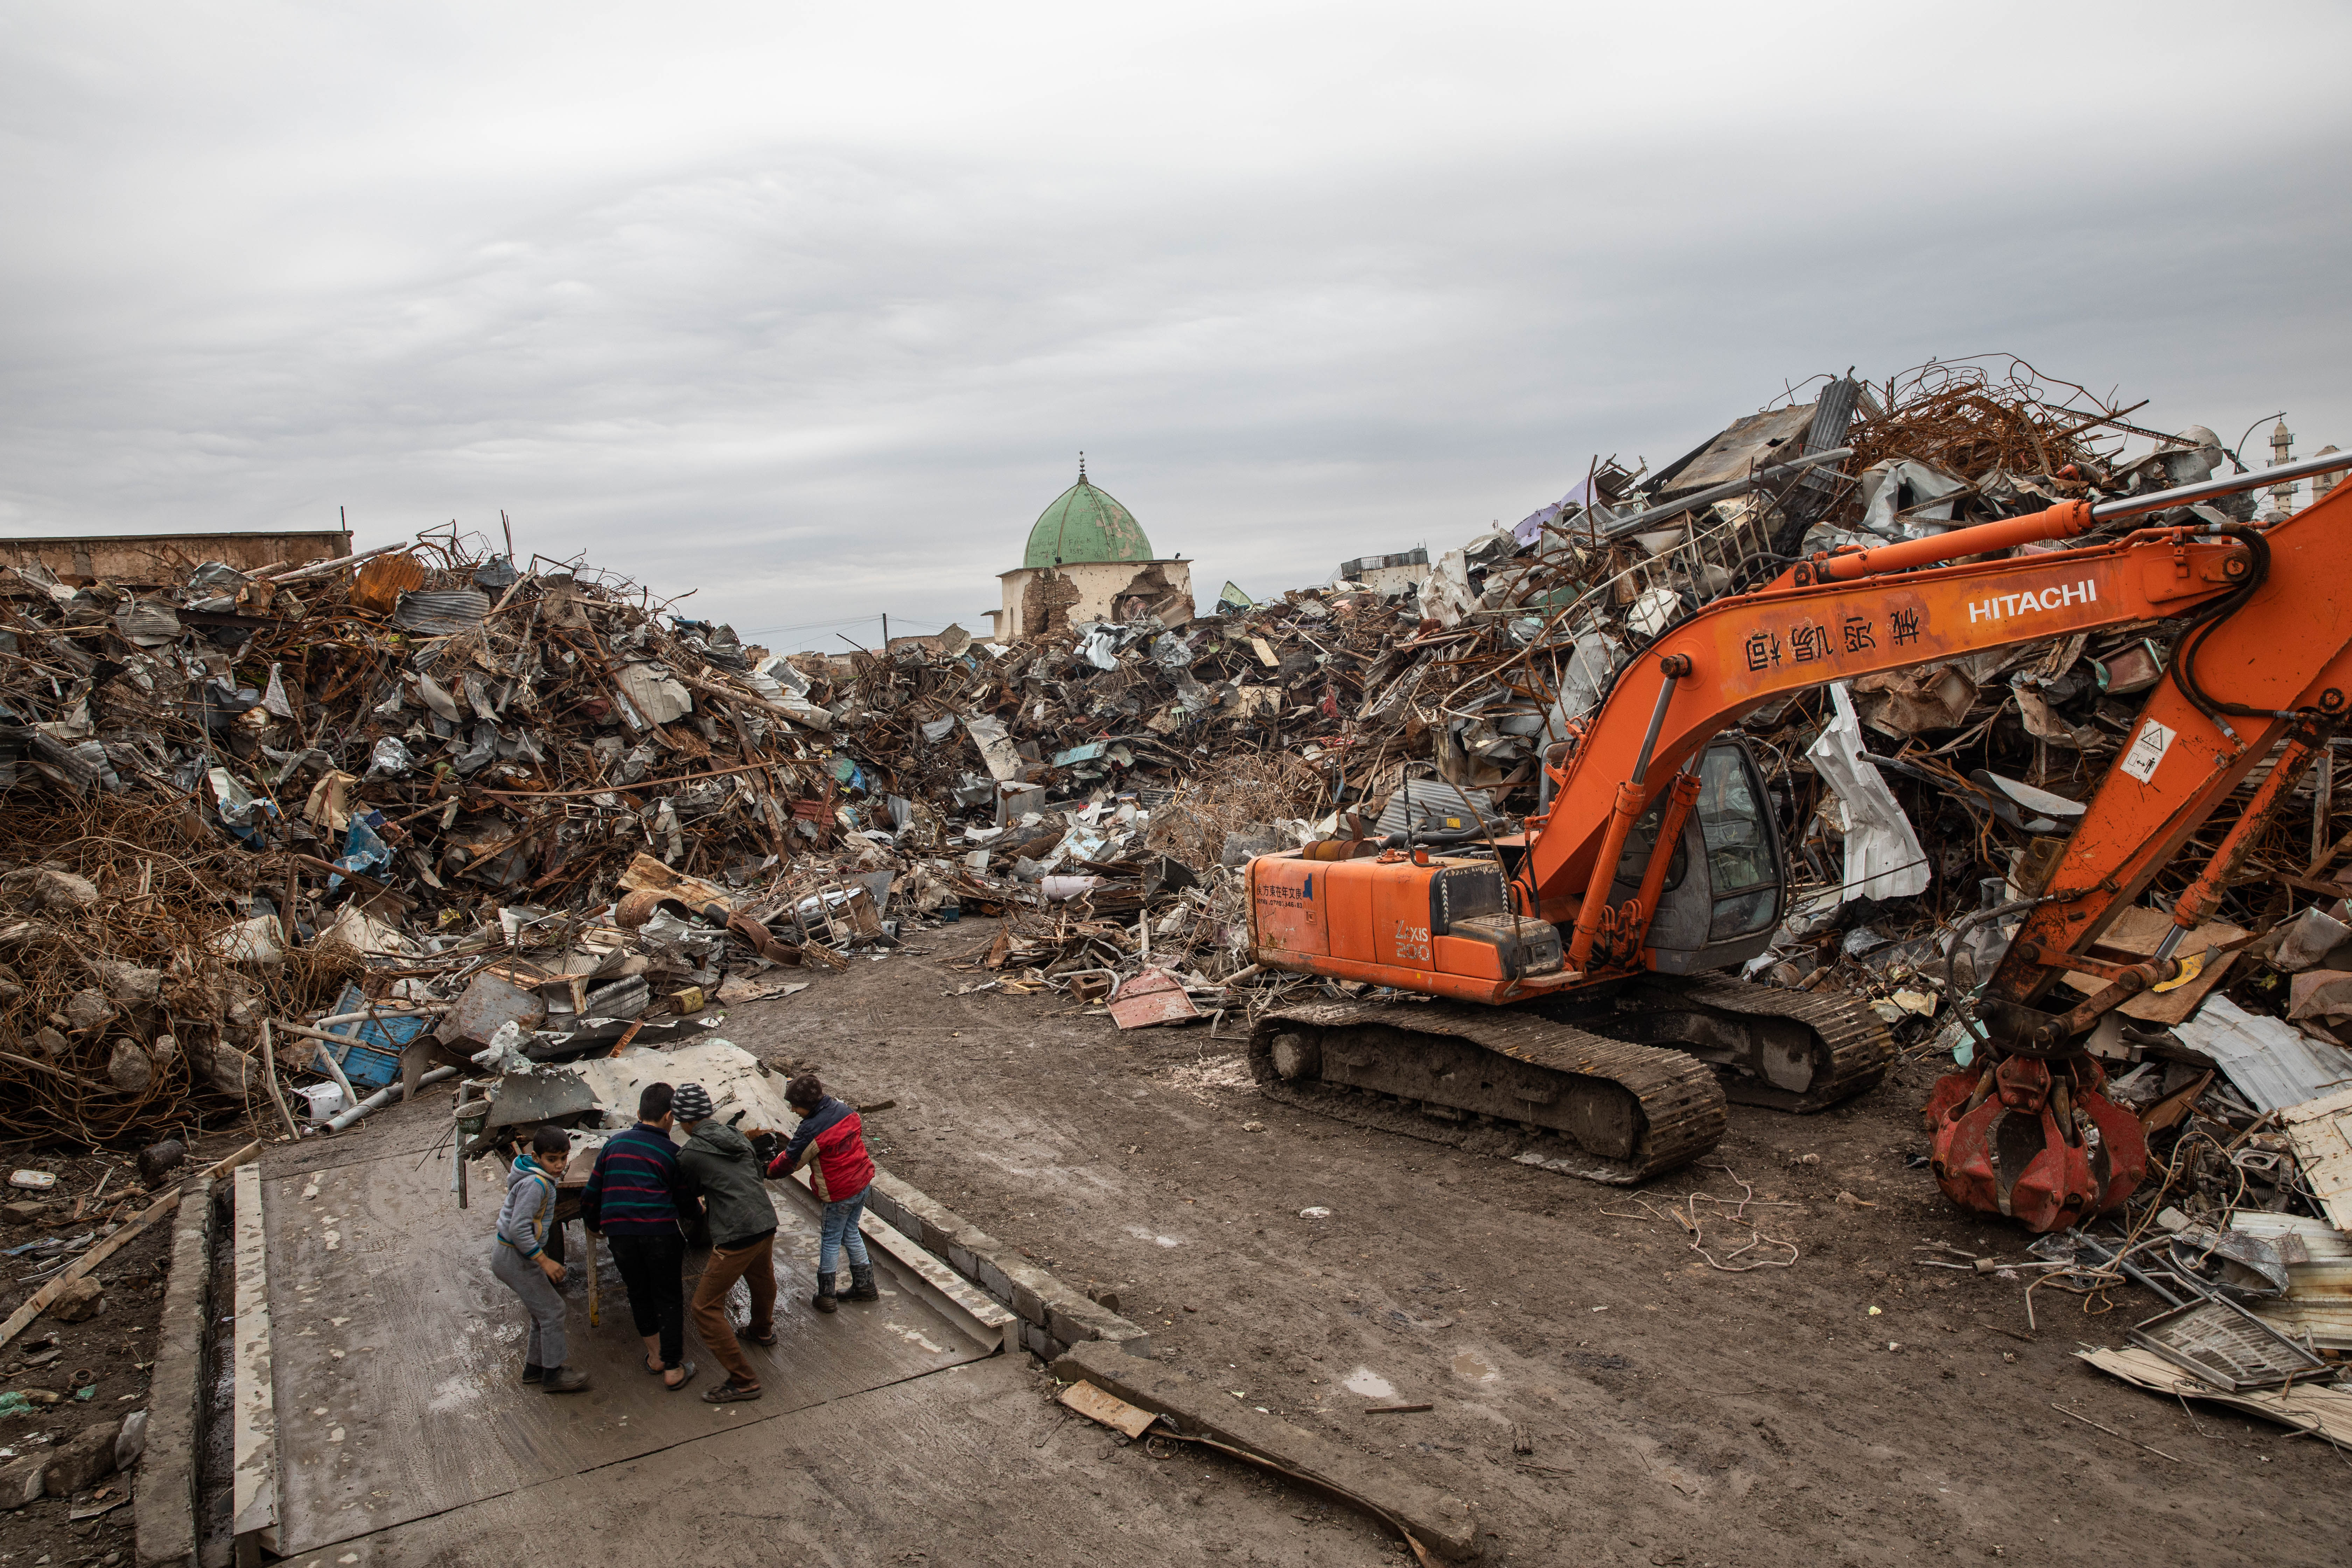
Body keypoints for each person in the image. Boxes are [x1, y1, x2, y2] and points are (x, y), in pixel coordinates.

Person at [580, 1081, 697, 1391]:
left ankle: (655, 1357)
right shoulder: (672, 1152)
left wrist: (593, 1223)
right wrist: (700, 1218)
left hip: (621, 1235)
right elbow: (686, 1202)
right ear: (670, 1117)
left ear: (638, 1113)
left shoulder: (613, 1146)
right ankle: (673, 1368)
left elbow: (591, 1195)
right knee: (668, 1295)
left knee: (639, 1291)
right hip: (660, 1232)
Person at [670, 1082, 779, 1404]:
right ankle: (762, 1330)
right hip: (764, 1220)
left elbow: (689, 1196)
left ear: (684, 1121)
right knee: (761, 1278)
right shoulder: (736, 1136)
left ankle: (743, 1380)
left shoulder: (689, 1154)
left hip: (736, 1233)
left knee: (704, 1307)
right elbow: (754, 1174)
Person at [765, 1074, 877, 1314]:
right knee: (850, 1232)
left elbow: (790, 1163)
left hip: (839, 1194)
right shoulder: (843, 1110)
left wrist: (767, 1171)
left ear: (808, 1103)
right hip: (862, 1182)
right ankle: (865, 1285)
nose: (793, 1110)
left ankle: (826, 1295)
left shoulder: (811, 1129)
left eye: (796, 1105)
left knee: (830, 1239)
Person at [491, 1125, 590, 1394]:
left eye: (563, 1158)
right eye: (552, 1160)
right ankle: (554, 1374)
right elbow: (518, 1228)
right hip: (514, 1257)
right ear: (537, 1158)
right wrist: (544, 1261)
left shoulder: (539, 1179)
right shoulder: (535, 1185)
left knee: (542, 1312)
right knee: (553, 1311)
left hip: (515, 1255)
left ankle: (536, 1369)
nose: (559, 1166)